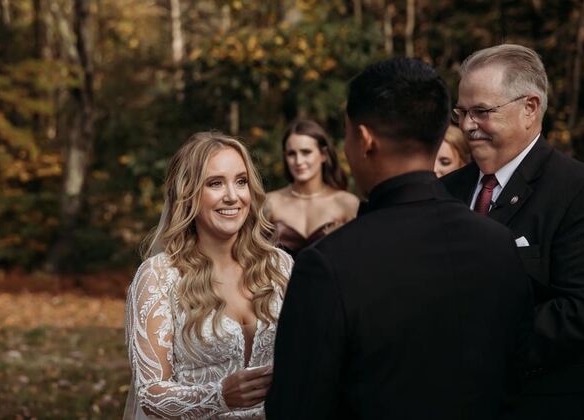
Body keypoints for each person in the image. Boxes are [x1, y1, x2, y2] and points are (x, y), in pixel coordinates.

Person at [265, 58, 533, 419]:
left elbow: (296, 407)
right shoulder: (498, 244)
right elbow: (518, 377)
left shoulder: (329, 264)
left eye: (346, 135)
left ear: (364, 140)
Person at [442, 43, 584, 419]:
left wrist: (476, 341)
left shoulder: (574, 190)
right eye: (462, 112)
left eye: (482, 112)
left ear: (530, 108)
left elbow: (577, 310)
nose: (467, 125)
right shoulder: (444, 191)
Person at [124, 132, 293, 419]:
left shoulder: (279, 266)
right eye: (215, 183)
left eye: (241, 181)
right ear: (188, 194)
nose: (232, 196)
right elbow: (150, 394)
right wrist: (219, 396)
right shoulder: (159, 276)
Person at [265, 119, 359, 257]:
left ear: (323, 155)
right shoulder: (270, 202)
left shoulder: (347, 203)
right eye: (291, 154)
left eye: (306, 152)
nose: (298, 161)